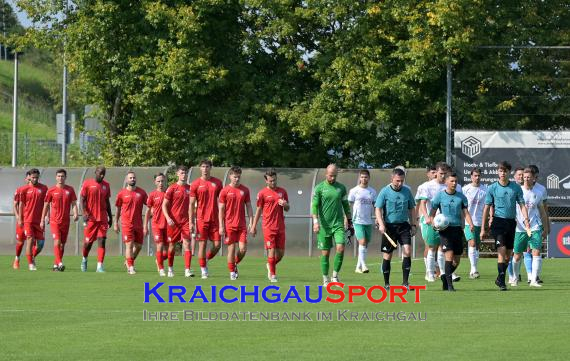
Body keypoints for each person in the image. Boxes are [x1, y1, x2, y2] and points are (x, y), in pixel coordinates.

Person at [481, 161, 530, 291]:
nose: (503, 173)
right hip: (498, 222)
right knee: (501, 251)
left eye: (505, 171)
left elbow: (522, 205)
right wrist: (483, 228)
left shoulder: (515, 187)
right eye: (501, 171)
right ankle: (502, 282)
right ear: (498, 172)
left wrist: (526, 219)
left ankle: (499, 277)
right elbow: (486, 208)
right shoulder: (492, 188)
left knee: (508, 255)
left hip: (510, 223)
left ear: (509, 173)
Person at [429, 171, 474, 291]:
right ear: (446, 182)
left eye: (456, 181)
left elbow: (465, 212)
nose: (454, 183)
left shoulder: (461, 197)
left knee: (457, 260)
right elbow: (431, 214)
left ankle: (445, 277)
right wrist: (433, 223)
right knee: (448, 256)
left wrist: (470, 223)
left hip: (458, 229)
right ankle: (449, 285)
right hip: (445, 230)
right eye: (452, 181)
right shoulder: (439, 196)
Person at [417, 162, 461, 282]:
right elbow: (422, 203)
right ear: (436, 172)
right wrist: (426, 217)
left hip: (448, 224)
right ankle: (429, 273)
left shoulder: (454, 186)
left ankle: (444, 273)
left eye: (445, 174)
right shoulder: (427, 186)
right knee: (432, 247)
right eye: (441, 173)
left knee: (443, 248)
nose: (442, 176)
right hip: (432, 221)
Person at [374, 167, 416, 289]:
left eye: (402, 181)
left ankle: (405, 283)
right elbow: (378, 208)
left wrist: (414, 225)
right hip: (389, 227)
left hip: (403, 226)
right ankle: (387, 284)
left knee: (407, 251)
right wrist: (381, 224)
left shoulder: (407, 191)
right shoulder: (384, 191)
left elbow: (412, 208)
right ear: (392, 178)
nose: (400, 183)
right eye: (397, 180)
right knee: (387, 255)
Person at [312, 164, 353, 286]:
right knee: (325, 253)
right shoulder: (319, 188)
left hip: (338, 224)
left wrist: (349, 222)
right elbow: (314, 206)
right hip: (324, 226)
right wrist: (315, 222)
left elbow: (345, 205)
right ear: (326, 174)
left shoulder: (341, 188)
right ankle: (325, 278)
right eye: (330, 176)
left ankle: (334, 276)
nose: (332, 178)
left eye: (335, 176)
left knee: (340, 248)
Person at [511, 167, 549, 287]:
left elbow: (542, 212)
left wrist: (546, 226)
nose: (526, 179)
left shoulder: (538, 193)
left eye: (529, 177)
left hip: (535, 227)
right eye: (524, 177)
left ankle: (533, 280)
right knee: (517, 255)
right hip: (520, 228)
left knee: (536, 252)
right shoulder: (518, 191)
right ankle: (515, 277)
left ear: (534, 179)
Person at [250, 169, 290, 282]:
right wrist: (253, 226)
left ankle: (270, 265)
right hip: (268, 226)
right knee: (271, 250)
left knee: (281, 254)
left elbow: (287, 208)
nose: (273, 183)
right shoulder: (262, 193)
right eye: (271, 181)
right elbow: (258, 210)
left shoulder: (282, 191)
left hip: (280, 226)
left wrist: (285, 204)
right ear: (266, 181)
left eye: (275, 180)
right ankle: (273, 275)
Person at [189, 159, 223, 279]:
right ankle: (203, 270)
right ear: (200, 168)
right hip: (201, 219)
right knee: (202, 244)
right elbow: (191, 204)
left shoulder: (217, 183)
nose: (205, 169)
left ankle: (206, 258)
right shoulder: (195, 184)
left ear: (210, 168)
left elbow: (222, 201)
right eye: (203, 166)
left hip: (215, 218)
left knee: (218, 245)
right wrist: (191, 222)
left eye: (207, 166)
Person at [219, 166, 253, 280]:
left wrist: (251, 221)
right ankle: (232, 273)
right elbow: (221, 210)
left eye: (238, 177)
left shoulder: (245, 190)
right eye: (235, 177)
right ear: (230, 176)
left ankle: (234, 264)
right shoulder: (225, 191)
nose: (237, 179)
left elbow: (249, 206)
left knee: (243, 249)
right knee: (231, 249)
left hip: (242, 225)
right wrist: (221, 225)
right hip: (229, 225)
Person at [41, 169, 79, 271]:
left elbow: (74, 203)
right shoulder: (51, 190)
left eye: (62, 176)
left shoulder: (70, 190)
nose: (60, 178)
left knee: (62, 244)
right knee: (57, 241)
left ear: (65, 177)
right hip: (54, 221)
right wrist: (42, 219)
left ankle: (55, 265)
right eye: (58, 176)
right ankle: (60, 263)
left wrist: (75, 213)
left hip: (66, 222)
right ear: (55, 177)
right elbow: (46, 205)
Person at [115, 171, 148, 275]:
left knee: (138, 246)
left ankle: (128, 261)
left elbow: (149, 205)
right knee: (129, 245)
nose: (132, 179)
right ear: (126, 180)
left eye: (134, 177)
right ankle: (131, 267)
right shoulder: (121, 194)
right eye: (130, 178)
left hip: (138, 223)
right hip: (126, 223)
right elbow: (118, 210)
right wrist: (116, 222)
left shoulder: (141, 193)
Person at [80, 166, 113, 273]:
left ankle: (99, 266)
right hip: (91, 218)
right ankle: (84, 259)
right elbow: (82, 199)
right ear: (95, 172)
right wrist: (84, 213)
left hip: (102, 218)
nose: (102, 175)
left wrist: (110, 216)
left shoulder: (106, 185)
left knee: (102, 240)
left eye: (104, 173)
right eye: (100, 173)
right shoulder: (87, 183)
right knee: (88, 243)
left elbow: (107, 202)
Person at [162, 165, 192, 278]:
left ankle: (187, 270)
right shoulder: (172, 188)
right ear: (177, 174)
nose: (184, 175)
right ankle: (170, 268)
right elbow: (164, 205)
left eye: (185, 173)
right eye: (182, 173)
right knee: (172, 246)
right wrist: (168, 218)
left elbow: (193, 205)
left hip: (185, 222)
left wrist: (192, 220)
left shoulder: (190, 189)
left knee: (187, 244)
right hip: (173, 222)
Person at [17, 168, 48, 271]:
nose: (35, 179)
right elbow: (21, 204)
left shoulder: (44, 188)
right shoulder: (23, 189)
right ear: (29, 177)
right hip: (28, 220)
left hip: (39, 221)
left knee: (40, 244)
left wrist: (46, 215)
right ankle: (31, 264)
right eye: (33, 177)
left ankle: (32, 257)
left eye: (36, 177)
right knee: (30, 240)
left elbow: (46, 203)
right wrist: (20, 219)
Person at [348, 169, 377, 274]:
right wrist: (346, 219)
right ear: (359, 178)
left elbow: (376, 206)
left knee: (365, 244)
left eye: (366, 177)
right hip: (357, 220)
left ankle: (358, 267)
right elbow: (348, 205)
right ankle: (364, 265)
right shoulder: (354, 190)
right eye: (362, 177)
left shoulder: (372, 191)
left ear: (369, 178)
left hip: (368, 221)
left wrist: (378, 218)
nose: (364, 179)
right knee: (362, 242)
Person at [462, 168, 487, 279]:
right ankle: (473, 269)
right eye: (475, 175)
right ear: (471, 177)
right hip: (468, 222)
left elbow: (488, 205)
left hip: (479, 221)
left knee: (476, 246)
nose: (477, 178)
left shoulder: (485, 190)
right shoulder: (465, 189)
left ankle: (474, 268)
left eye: (479, 176)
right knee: (472, 243)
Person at [144, 173, 168, 276]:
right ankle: (161, 269)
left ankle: (159, 260)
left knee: (168, 251)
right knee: (160, 245)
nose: (161, 183)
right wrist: (145, 226)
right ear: (155, 182)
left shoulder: (169, 193)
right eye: (158, 181)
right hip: (156, 224)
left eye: (162, 181)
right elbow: (148, 211)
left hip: (168, 225)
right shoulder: (152, 195)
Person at [416, 165, 436, 277]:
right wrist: (416, 219)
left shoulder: (441, 186)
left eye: (435, 172)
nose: (435, 175)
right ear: (428, 174)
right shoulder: (423, 187)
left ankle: (434, 269)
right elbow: (418, 203)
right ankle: (428, 271)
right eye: (432, 172)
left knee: (437, 247)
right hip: (425, 220)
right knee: (429, 245)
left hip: (438, 220)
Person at [12, 171, 30, 270]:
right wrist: (18, 217)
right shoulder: (20, 190)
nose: (29, 180)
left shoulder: (38, 189)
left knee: (36, 242)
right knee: (20, 242)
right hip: (22, 221)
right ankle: (17, 259)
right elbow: (15, 205)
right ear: (25, 179)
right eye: (28, 178)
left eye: (31, 178)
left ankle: (31, 260)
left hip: (33, 221)